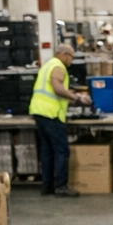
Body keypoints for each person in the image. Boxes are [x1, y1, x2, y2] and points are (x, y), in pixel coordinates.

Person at [30, 43, 92, 198]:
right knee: (61, 150)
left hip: (39, 111)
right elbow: (58, 89)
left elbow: (54, 90)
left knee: (47, 151)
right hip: (51, 114)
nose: (71, 60)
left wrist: (71, 96)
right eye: (71, 56)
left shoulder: (47, 65)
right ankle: (61, 186)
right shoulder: (58, 66)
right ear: (64, 54)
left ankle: (47, 186)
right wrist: (78, 98)